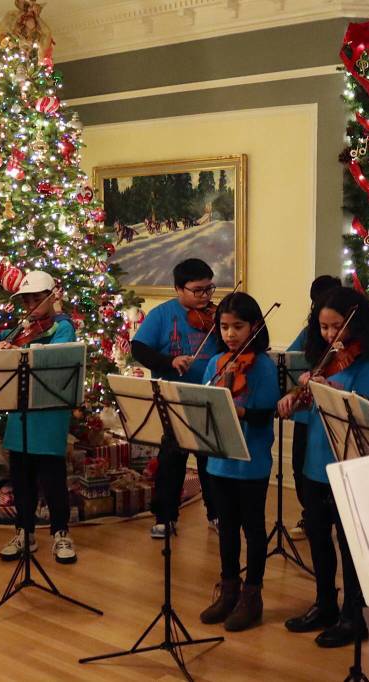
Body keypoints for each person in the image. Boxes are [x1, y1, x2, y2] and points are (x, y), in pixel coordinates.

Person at [278, 286, 369, 648]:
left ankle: (353, 617)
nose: (329, 334)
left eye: (336, 326)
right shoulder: (325, 356)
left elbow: (364, 411)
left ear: (356, 322)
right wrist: (295, 400)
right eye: (323, 327)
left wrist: (324, 388)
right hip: (316, 459)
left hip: (349, 462)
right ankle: (325, 603)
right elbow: (313, 405)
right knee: (317, 535)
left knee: (349, 542)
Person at [0, 271, 78, 564]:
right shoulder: (24, 326)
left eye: (37, 299)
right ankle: (25, 532)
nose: (31, 305)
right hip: (20, 413)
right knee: (21, 478)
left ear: (52, 296)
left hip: (49, 413)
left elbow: (52, 359)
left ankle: (60, 532)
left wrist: (17, 351)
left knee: (52, 478)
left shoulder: (63, 327)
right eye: (27, 300)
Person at [198, 293, 279, 632]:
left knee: (253, 529)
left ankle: (252, 596)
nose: (230, 334)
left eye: (238, 327)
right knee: (227, 528)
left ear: (254, 327)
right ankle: (229, 588)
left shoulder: (263, 366)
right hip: (219, 461)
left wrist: (238, 410)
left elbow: (265, 414)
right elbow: (204, 403)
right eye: (224, 327)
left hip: (251, 462)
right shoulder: (216, 363)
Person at [131, 258, 221, 538]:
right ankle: (165, 517)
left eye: (209, 289)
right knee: (171, 461)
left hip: (210, 396)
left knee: (210, 461)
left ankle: (216, 513)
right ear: (178, 289)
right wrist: (169, 362)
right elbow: (139, 349)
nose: (205, 296)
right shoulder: (162, 315)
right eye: (198, 290)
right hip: (174, 398)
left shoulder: (217, 315)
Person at [286, 275, 340, 541]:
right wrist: (304, 377)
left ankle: (335, 519)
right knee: (300, 468)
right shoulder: (310, 333)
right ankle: (310, 515)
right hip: (306, 415)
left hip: (331, 418)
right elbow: (288, 361)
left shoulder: (349, 341)